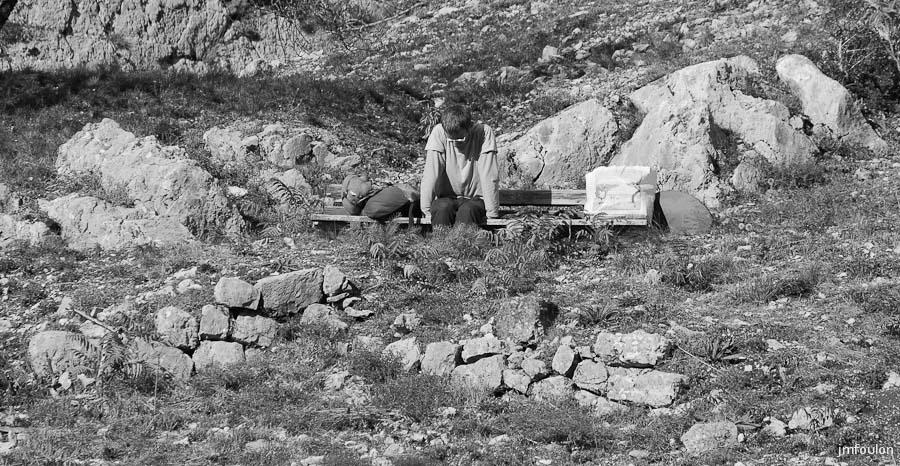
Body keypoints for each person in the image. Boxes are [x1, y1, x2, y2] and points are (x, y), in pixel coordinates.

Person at [420, 104, 500, 227]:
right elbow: (431, 174)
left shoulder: (483, 133)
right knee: (442, 209)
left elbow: (489, 175)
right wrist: (426, 210)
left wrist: (492, 213)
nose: (456, 143)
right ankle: (440, 244)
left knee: (467, 211)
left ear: (469, 127)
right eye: (451, 140)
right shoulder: (438, 133)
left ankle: (462, 245)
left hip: (475, 199)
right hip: (446, 197)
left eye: (460, 139)